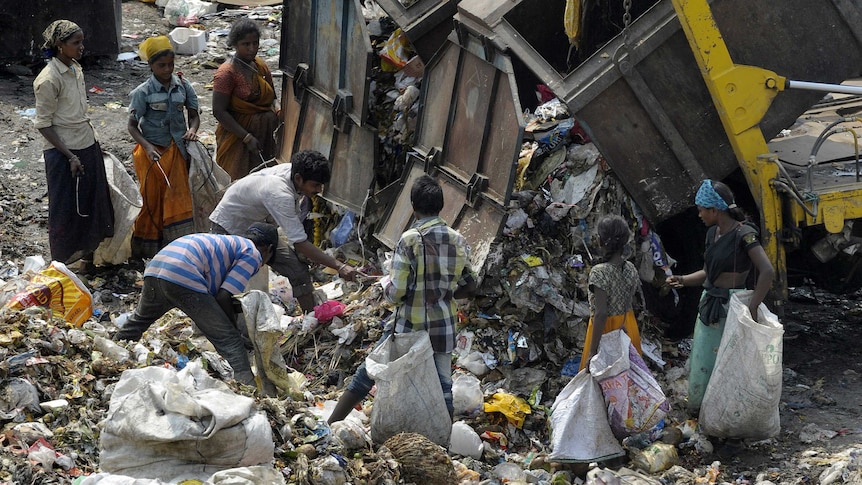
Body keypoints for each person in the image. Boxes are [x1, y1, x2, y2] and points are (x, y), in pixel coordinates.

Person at [327, 175, 478, 424]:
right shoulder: (458, 240)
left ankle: (332, 424)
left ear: (413, 206)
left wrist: (387, 285)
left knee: (368, 373)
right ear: (441, 206)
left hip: (409, 326)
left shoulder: (409, 240)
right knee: (443, 387)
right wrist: (446, 293)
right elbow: (470, 285)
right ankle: (445, 442)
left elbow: (396, 293)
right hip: (443, 328)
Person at [113, 223, 279, 385]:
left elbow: (217, 295)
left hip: (155, 268)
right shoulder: (252, 253)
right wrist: (232, 327)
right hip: (183, 272)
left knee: (139, 320)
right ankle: (249, 387)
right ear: (269, 249)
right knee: (230, 340)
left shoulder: (231, 243)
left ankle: (112, 354)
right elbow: (223, 296)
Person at [666, 179, 774, 413]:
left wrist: (753, 308)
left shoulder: (743, 235)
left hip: (732, 307)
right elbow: (708, 272)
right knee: (704, 362)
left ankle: (728, 417)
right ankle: (705, 414)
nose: (699, 214)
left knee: (729, 366)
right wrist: (683, 280)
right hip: (710, 303)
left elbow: (767, 270)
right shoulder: (712, 233)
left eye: (702, 210)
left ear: (714, 210)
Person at [209, 149, 363, 313]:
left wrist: (305, 252)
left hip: (261, 230)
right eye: (315, 185)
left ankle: (312, 321)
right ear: (298, 178)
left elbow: (298, 237)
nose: (319, 190)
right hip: (230, 228)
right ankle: (231, 332)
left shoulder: (293, 172)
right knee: (229, 288)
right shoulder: (279, 192)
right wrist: (340, 266)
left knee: (297, 269)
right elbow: (300, 243)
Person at [33, 20, 114, 272]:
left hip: (86, 143)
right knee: (66, 208)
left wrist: (92, 144)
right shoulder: (48, 79)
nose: (81, 48)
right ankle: (61, 264)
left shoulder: (76, 69)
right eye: (75, 43)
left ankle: (87, 260)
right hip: (63, 152)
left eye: (81, 42)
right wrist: (70, 156)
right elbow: (44, 125)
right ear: (60, 46)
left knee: (91, 202)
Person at [127, 36, 199, 258]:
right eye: (161, 65)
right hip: (153, 154)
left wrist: (193, 130)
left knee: (177, 196)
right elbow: (132, 126)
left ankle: (176, 249)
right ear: (151, 66)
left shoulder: (183, 86)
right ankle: (146, 250)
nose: (167, 69)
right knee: (152, 200)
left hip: (178, 151)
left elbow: (194, 115)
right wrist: (148, 147)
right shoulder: (143, 92)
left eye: (170, 64)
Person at [212, 18, 278, 180]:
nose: (252, 48)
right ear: (235, 44)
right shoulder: (227, 73)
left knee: (263, 180)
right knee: (237, 180)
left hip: (264, 135)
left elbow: (272, 96)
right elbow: (219, 111)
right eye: (246, 44)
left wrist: (278, 110)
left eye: (255, 43)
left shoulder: (260, 66)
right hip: (238, 138)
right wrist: (246, 137)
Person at [580, 214, 642, 371]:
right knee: (628, 383)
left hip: (606, 331)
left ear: (601, 241)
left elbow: (601, 313)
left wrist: (592, 352)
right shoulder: (631, 268)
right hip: (628, 327)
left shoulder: (599, 272)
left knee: (603, 385)